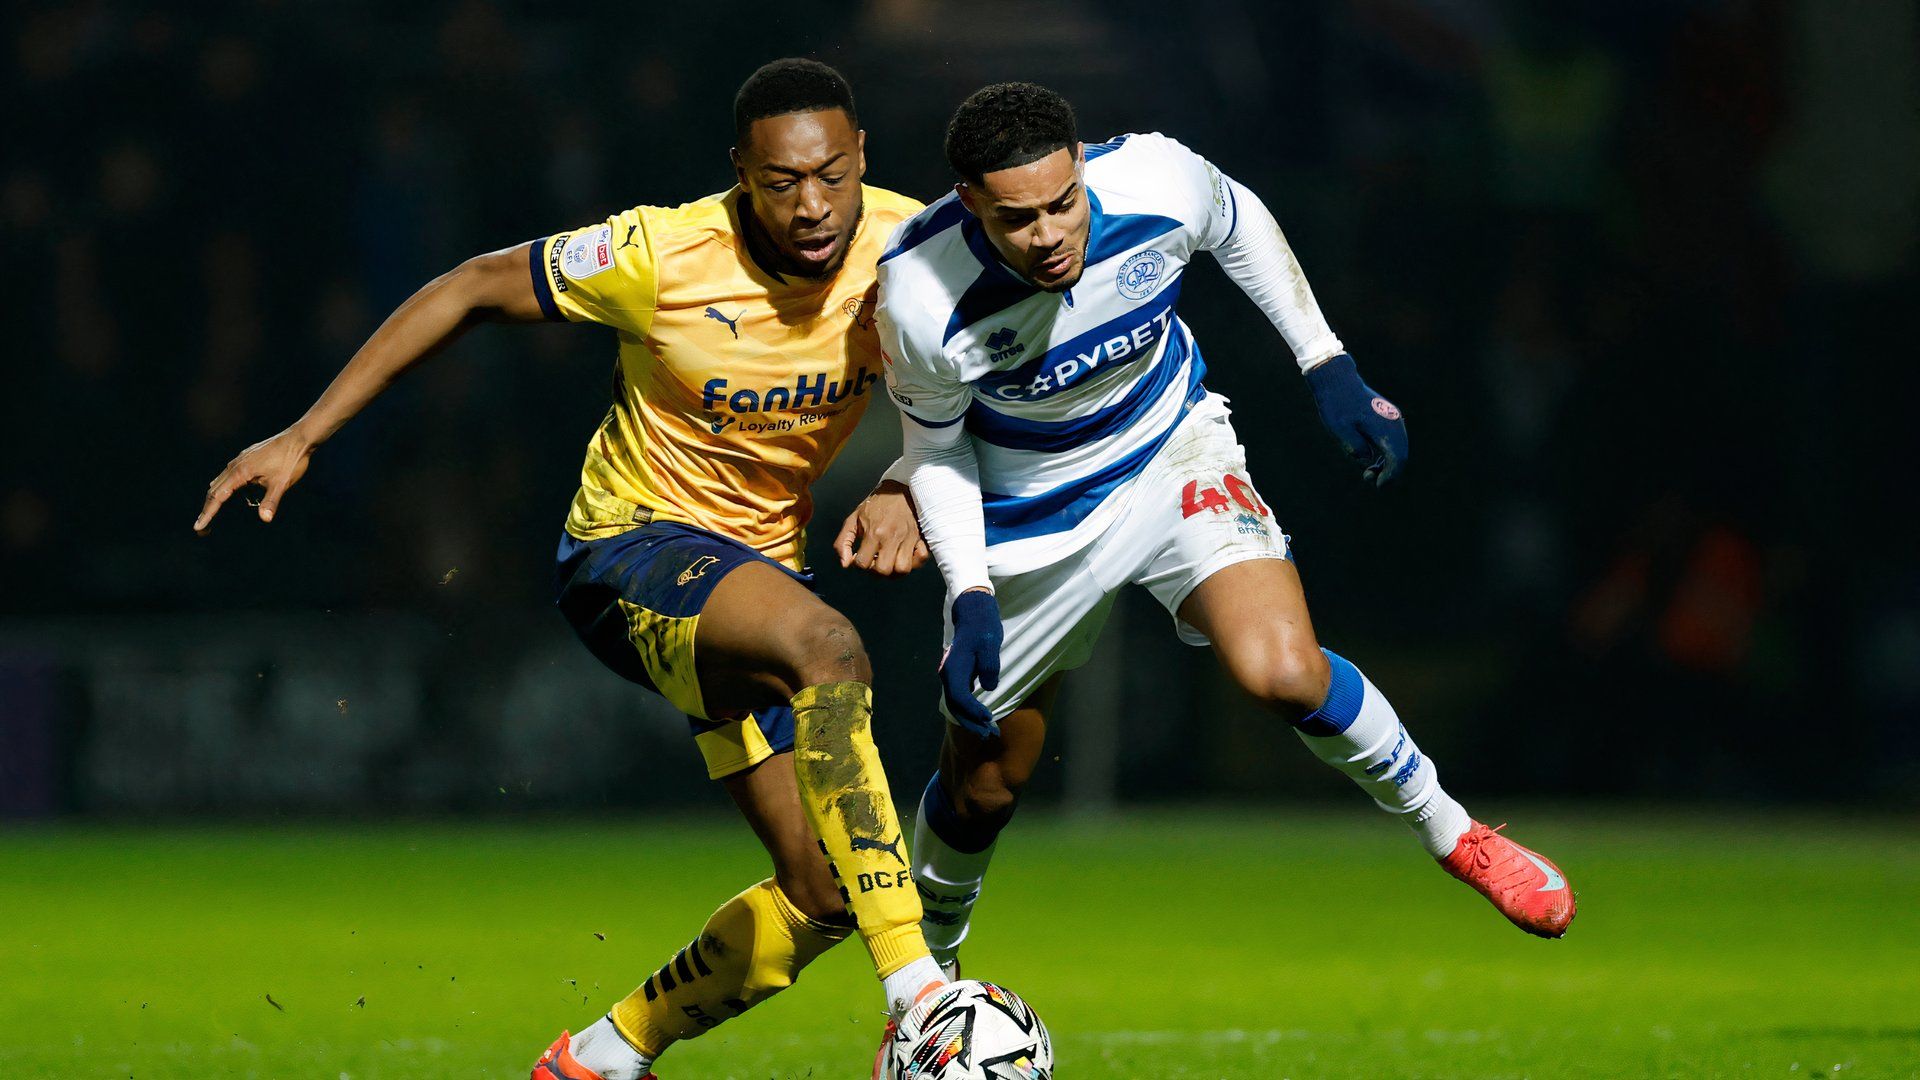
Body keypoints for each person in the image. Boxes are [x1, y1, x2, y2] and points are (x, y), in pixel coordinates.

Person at [192, 58, 947, 1080]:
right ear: (741, 174)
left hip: (753, 580)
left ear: (863, 159)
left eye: (830, 176)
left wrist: (910, 471)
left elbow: (990, 381)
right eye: (780, 183)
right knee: (829, 645)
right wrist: (307, 431)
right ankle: (920, 997)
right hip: (627, 555)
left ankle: (600, 1056)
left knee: (821, 897)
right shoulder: (661, 251)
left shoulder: (922, 247)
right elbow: (470, 286)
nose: (811, 206)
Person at [876, 82, 1577, 978]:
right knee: (985, 785)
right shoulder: (920, 296)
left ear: (1083, 166)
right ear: (972, 203)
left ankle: (1459, 836)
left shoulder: (1154, 180)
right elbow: (933, 453)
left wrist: (1326, 362)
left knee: (1284, 672)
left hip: (1173, 455)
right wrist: (970, 590)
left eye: (1063, 203)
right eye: (1020, 219)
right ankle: (926, 997)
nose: (1050, 234)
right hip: (1026, 512)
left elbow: (1236, 217)